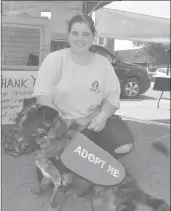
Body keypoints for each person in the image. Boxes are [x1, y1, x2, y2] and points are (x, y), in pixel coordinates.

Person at [32, 14, 133, 157]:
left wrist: (103, 116)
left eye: (86, 34)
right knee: (57, 165)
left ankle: (87, 152)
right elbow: (42, 95)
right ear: (68, 36)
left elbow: (113, 96)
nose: (80, 39)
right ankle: (78, 153)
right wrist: (59, 122)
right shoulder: (54, 59)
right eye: (75, 33)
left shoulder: (103, 64)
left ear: (93, 37)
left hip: (91, 124)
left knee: (124, 146)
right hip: (59, 124)